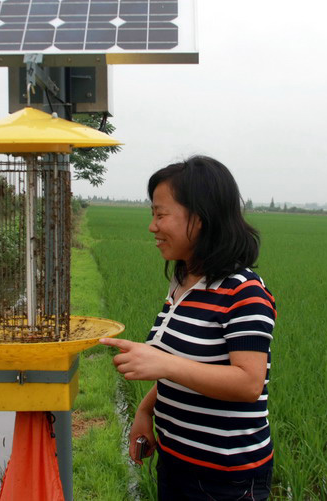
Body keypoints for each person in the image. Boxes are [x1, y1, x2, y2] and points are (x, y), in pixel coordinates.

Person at [100, 156, 276, 500]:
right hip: (176, 461)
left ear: (200, 218)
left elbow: (248, 383)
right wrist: (145, 411)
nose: (152, 226)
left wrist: (163, 363)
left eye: (161, 214)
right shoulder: (183, 283)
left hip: (226, 478)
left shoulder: (244, 291)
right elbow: (185, 368)